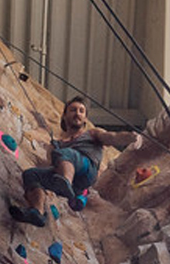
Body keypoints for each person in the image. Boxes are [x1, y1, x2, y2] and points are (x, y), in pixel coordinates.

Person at [9, 97, 141, 227]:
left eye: (81, 111)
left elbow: (113, 137)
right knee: (31, 174)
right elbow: (51, 165)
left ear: (85, 119)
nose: (77, 113)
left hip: (86, 170)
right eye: (73, 110)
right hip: (70, 182)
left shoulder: (92, 134)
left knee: (66, 154)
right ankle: (37, 212)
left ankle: (65, 181)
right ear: (64, 116)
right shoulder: (57, 145)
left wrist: (130, 137)